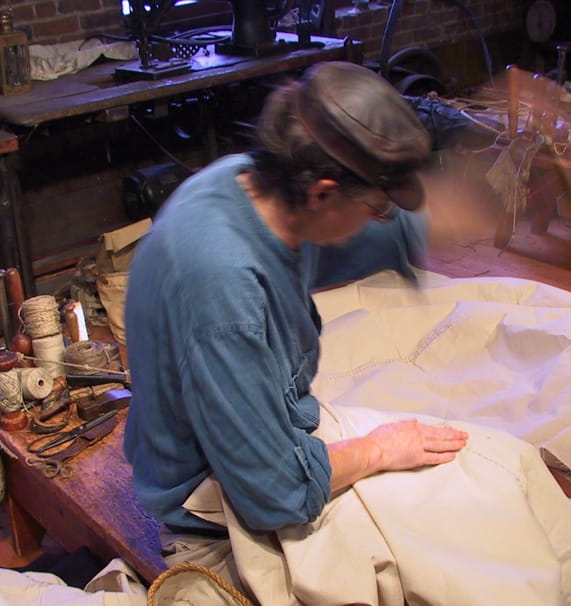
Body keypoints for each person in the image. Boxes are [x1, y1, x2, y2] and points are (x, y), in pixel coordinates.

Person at [122, 61, 468, 536]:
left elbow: (331, 239)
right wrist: (379, 449)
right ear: (323, 193)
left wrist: (445, 220)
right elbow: (276, 493)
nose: (379, 221)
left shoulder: (247, 182)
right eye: (377, 210)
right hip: (206, 489)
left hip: (258, 428)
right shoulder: (222, 288)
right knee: (444, 524)